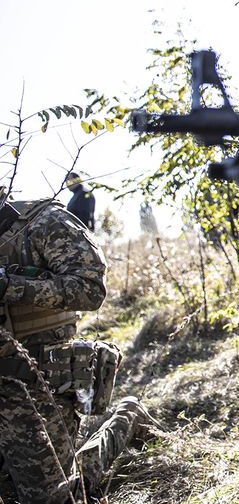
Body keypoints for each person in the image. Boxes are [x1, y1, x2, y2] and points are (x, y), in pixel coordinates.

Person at [0, 190, 156, 503]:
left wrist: (9, 286)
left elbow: (90, 289)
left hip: (37, 387)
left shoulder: (43, 221)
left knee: (53, 497)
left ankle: (126, 418)